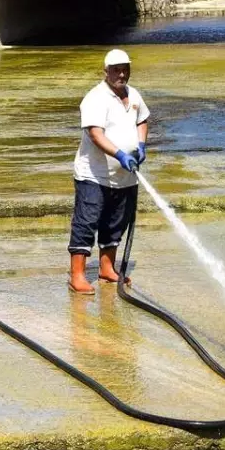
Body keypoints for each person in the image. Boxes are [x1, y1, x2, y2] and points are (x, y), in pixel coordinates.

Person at [68, 48, 149, 295]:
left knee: (116, 222)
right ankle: (77, 275)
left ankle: (107, 268)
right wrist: (120, 155)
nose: (121, 74)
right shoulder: (95, 98)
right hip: (94, 175)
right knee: (87, 221)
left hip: (125, 177)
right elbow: (95, 134)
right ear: (106, 71)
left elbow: (142, 120)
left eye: (125, 69)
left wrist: (141, 144)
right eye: (116, 70)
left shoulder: (134, 95)